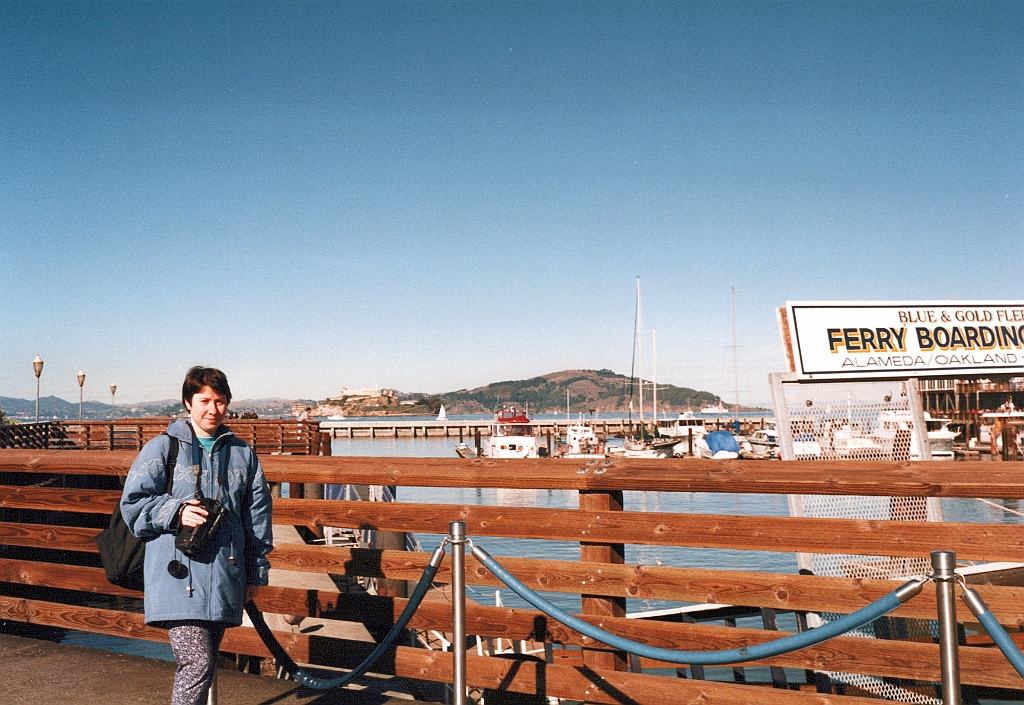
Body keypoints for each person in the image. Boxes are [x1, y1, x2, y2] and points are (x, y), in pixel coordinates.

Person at [121, 366, 274, 705]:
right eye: (204, 400)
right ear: (188, 403)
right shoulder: (162, 448)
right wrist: (175, 511)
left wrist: (256, 572)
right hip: (176, 575)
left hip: (224, 574)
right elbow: (132, 505)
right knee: (197, 663)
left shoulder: (243, 454)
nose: (212, 409)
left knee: (203, 667)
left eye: (220, 401)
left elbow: (257, 517)